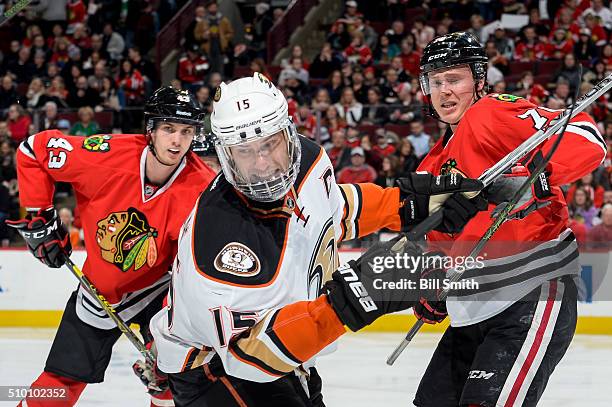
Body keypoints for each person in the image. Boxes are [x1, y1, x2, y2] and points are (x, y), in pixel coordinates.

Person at [149, 73, 486, 406]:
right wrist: (346, 304)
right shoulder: (220, 243)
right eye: (245, 153)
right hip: (215, 369)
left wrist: (405, 204)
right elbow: (248, 355)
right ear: (225, 156)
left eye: (269, 144)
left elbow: (335, 210)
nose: (262, 163)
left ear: (288, 132)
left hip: (289, 355)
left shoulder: (308, 160)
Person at [412, 32, 606, 407]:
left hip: (530, 291)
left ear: (479, 81)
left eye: (454, 79)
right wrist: (434, 283)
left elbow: (586, 138)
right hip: (473, 309)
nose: (443, 91)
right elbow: (440, 244)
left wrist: (538, 177)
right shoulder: (430, 166)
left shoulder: (491, 113)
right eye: (435, 82)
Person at [7, 87, 216, 407]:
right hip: (100, 285)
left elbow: (197, 267)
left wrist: (169, 339)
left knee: (174, 381)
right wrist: (41, 217)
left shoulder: (202, 190)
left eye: (186, 131)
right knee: (61, 382)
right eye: (169, 129)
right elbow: (33, 150)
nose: (177, 141)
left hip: (163, 289)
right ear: (151, 130)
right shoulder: (104, 156)